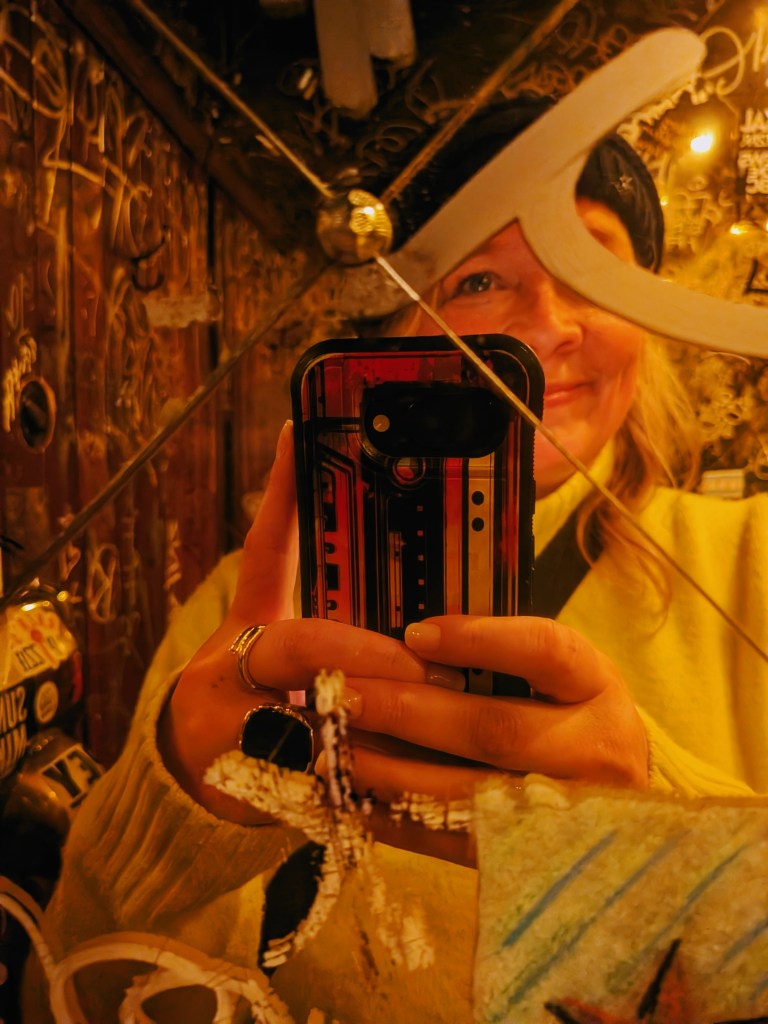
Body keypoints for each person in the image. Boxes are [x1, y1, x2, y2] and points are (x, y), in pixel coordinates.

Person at [23, 99, 768, 1024]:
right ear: (393, 333)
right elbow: (76, 997)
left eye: (594, 269)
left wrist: (671, 822)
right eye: (480, 280)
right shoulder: (247, 619)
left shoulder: (751, 564)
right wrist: (177, 814)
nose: (549, 327)